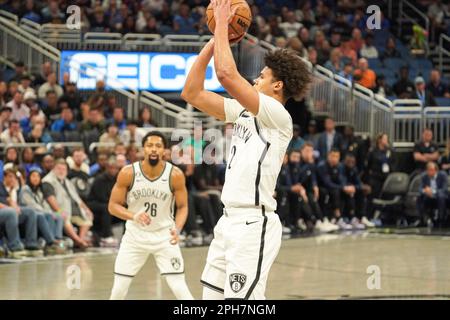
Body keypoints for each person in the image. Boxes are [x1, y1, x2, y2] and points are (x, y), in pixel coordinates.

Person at [181, 0, 311, 300]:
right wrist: (214, 40)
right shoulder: (243, 110)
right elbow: (192, 93)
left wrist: (224, 26)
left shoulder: (278, 115)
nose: (256, 79)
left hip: (254, 224)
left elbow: (226, 75)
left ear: (277, 86)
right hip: (227, 221)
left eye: (262, 76)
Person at [109, 132, 194, 300]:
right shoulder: (128, 173)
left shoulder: (175, 175)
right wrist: (133, 216)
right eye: (149, 146)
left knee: (179, 287)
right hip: (135, 237)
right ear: (143, 149)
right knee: (118, 289)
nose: (153, 149)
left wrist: (177, 229)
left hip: (164, 236)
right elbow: (113, 206)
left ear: (165, 150)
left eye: (158, 146)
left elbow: (183, 207)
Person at [42, 159, 94, 249]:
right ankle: (78, 240)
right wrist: (59, 211)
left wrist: (86, 209)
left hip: (72, 210)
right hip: (54, 210)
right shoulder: (48, 181)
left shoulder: (67, 181)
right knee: (64, 218)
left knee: (87, 217)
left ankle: (80, 240)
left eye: (63, 169)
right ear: (53, 169)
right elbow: (51, 199)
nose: (61, 171)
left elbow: (77, 198)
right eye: (59, 169)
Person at [19, 168, 66, 255]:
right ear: (29, 178)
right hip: (28, 213)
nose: (36, 178)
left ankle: (57, 238)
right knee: (46, 214)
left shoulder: (40, 191)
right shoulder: (25, 188)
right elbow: (32, 205)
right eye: (33, 176)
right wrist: (46, 211)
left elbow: (44, 206)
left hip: (40, 211)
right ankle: (51, 241)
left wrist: (51, 212)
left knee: (58, 216)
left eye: (38, 176)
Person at [0, 168, 42, 257]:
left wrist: (15, 207)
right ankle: (14, 247)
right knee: (11, 212)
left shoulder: (10, 190)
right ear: (4, 177)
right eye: (10, 177)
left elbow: (11, 202)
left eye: (14, 178)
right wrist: (10, 208)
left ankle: (31, 244)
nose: (12, 179)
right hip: (4, 212)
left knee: (30, 211)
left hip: (8, 213)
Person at [87, 156, 120, 247]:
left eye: (115, 168)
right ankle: (106, 236)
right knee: (107, 208)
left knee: (126, 208)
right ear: (107, 168)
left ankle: (126, 235)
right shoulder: (99, 179)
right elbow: (100, 197)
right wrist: (116, 204)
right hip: (94, 203)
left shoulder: (117, 179)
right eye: (111, 168)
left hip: (109, 203)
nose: (113, 170)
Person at [317, 149, 353, 230]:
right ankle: (336, 217)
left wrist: (346, 187)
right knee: (335, 191)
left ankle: (351, 217)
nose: (334, 158)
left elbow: (341, 179)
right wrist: (343, 187)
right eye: (333, 156)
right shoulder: (322, 166)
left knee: (349, 192)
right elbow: (327, 183)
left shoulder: (340, 166)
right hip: (322, 188)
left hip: (334, 188)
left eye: (337, 156)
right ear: (328, 156)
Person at [417, 162, 448, 228]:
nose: (429, 172)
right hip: (428, 196)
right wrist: (425, 190)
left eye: (431, 170)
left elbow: (444, 189)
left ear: (436, 170)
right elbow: (420, 188)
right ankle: (422, 220)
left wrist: (433, 191)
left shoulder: (443, 175)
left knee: (441, 196)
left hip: (439, 195)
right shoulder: (424, 176)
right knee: (419, 197)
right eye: (428, 170)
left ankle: (441, 220)